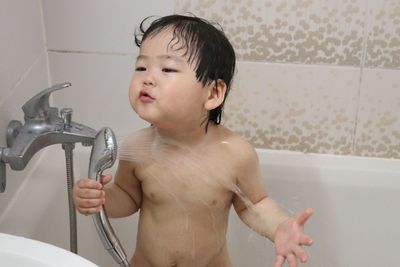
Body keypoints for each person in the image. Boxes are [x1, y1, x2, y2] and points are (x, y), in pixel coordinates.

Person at [73, 14, 313, 267]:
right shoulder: (138, 148)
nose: (148, 78)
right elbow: (128, 198)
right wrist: (100, 199)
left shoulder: (235, 154)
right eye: (141, 67)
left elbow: (254, 205)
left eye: (167, 69)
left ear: (212, 93)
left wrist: (279, 228)